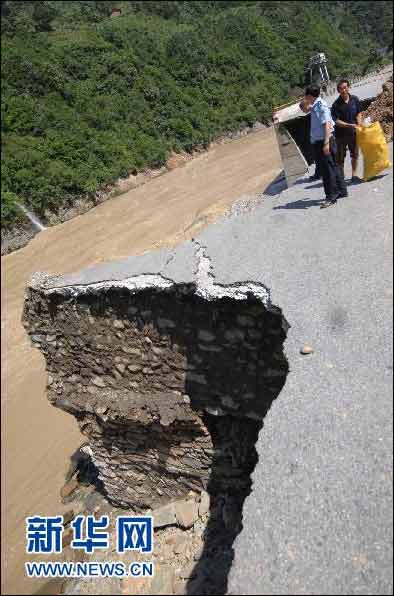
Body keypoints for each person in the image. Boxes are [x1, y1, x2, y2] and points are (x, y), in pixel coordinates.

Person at [304, 85, 347, 209]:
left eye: (306, 96)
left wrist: (326, 143)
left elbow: (327, 124)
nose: (305, 98)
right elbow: (305, 109)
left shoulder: (320, 106)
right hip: (324, 140)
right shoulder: (316, 105)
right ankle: (341, 191)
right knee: (334, 166)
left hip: (323, 141)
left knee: (326, 170)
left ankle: (331, 196)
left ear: (309, 96)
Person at [331, 79, 362, 181]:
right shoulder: (336, 105)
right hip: (341, 135)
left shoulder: (355, 99)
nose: (343, 90)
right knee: (340, 158)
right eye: (341, 88)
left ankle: (354, 175)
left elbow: (358, 113)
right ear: (338, 90)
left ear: (348, 87)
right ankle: (341, 177)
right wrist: (349, 125)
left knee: (355, 154)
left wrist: (359, 123)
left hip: (353, 133)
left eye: (345, 87)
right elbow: (336, 121)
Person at [299, 99, 321, 181]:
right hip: (316, 139)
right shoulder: (312, 112)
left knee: (320, 158)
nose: (302, 111)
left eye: (302, 109)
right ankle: (318, 174)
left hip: (320, 139)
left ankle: (320, 175)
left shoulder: (315, 111)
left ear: (306, 105)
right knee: (318, 158)